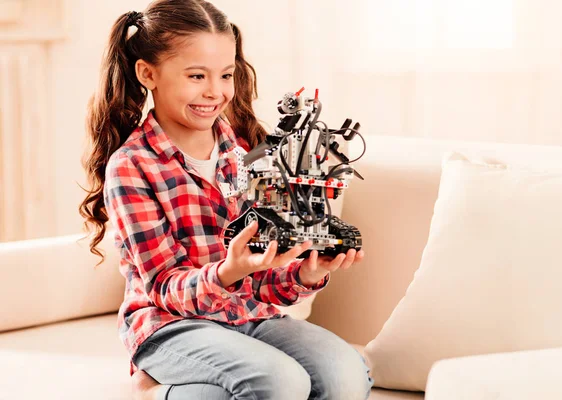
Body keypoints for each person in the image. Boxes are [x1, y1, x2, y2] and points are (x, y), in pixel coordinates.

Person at [79, 1, 372, 399]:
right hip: (169, 325)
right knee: (279, 381)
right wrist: (226, 272)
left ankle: (177, 388)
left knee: (346, 374)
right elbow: (163, 285)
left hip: (247, 315)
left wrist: (303, 274)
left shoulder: (248, 152)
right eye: (197, 75)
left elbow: (265, 277)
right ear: (148, 74)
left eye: (226, 75)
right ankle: (158, 389)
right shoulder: (131, 167)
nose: (215, 92)